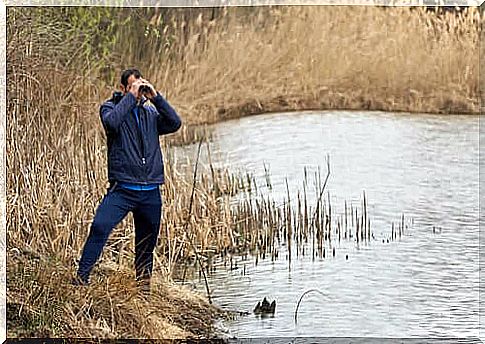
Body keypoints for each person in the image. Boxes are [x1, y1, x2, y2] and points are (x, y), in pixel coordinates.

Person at [74, 68, 182, 294]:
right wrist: (130, 98)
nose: (138, 94)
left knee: (146, 246)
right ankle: (82, 278)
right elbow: (111, 124)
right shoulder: (110, 109)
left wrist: (156, 97)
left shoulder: (150, 113)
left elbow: (174, 123)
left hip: (150, 191)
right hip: (122, 189)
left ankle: (143, 292)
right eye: (133, 88)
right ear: (123, 88)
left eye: (140, 88)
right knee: (100, 226)